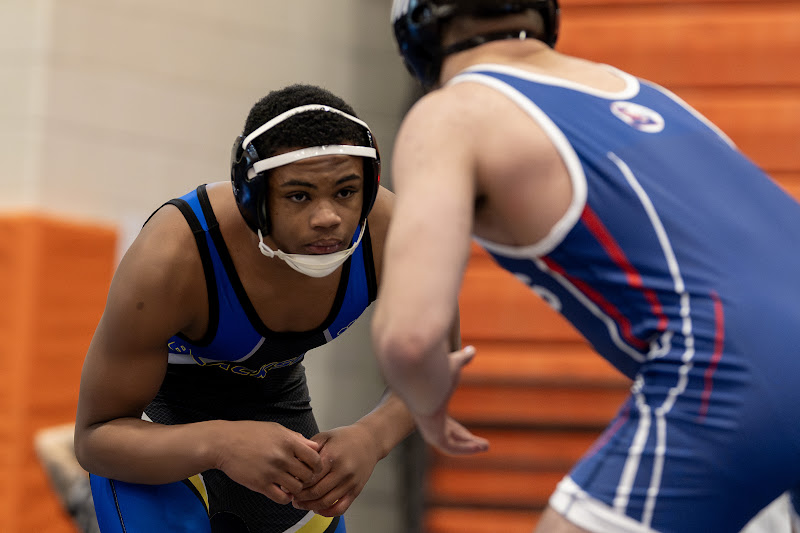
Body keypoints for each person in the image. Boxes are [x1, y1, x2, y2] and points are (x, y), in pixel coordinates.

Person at [372, 1, 800, 532]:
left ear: (415, 34)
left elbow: (409, 339)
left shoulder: (452, 113)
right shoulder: (647, 93)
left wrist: (425, 404)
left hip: (735, 376)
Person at [73, 83, 445, 533]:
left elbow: (439, 360)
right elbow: (95, 437)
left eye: (346, 192)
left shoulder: (395, 234)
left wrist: (372, 437)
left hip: (275, 409)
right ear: (252, 200)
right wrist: (220, 443)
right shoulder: (173, 256)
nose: (328, 217)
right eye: (299, 196)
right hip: (160, 424)